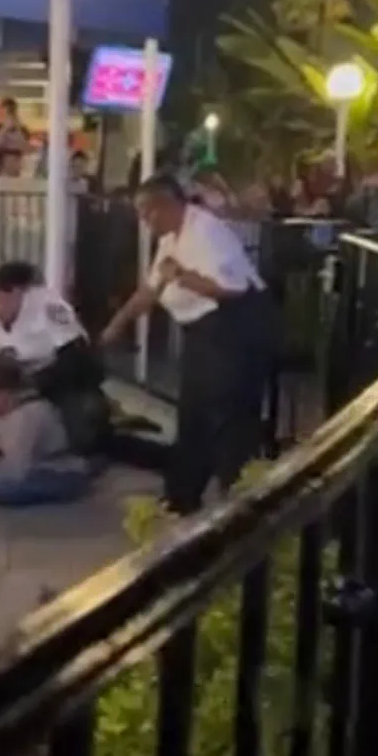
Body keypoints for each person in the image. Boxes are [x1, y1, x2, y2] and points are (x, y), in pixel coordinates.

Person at [100, 174, 273, 515]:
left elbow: (232, 288)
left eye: (145, 211)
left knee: (225, 417)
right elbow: (149, 291)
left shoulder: (206, 232)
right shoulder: (170, 238)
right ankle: (182, 496)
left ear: (165, 205)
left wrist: (181, 275)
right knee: (193, 413)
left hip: (234, 329)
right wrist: (116, 326)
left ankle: (237, 501)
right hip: (202, 333)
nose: (142, 220)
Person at [0, 261, 109, 482]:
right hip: (23, 372)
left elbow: (75, 358)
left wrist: (30, 389)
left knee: (82, 419)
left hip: (64, 372)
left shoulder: (48, 307)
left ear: (16, 294)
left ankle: (83, 457)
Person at [0, 354, 93, 507]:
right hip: (37, 467)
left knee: (5, 489)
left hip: (60, 472)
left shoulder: (27, 414)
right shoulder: (6, 412)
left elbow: (16, 471)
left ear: (0, 392)